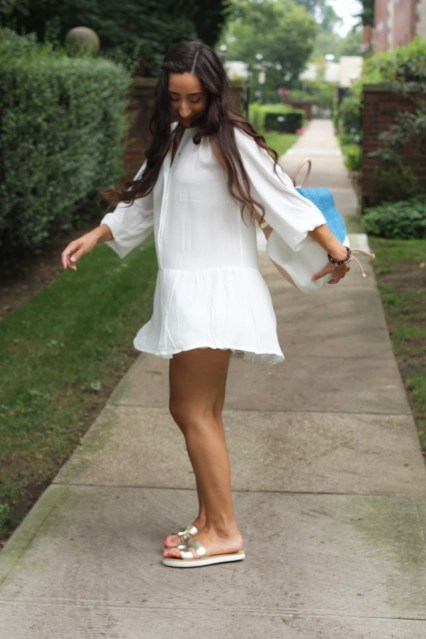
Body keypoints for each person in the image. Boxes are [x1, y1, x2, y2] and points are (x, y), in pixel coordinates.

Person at [61, 41, 351, 569]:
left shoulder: (230, 138)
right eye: (175, 98)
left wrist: (336, 249)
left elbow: (281, 195)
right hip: (189, 288)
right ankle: (208, 517)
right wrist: (97, 235)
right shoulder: (176, 137)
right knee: (203, 411)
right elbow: (145, 202)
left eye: (194, 98)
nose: (184, 108)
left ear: (214, 92)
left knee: (190, 409)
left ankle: (224, 531)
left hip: (214, 291)